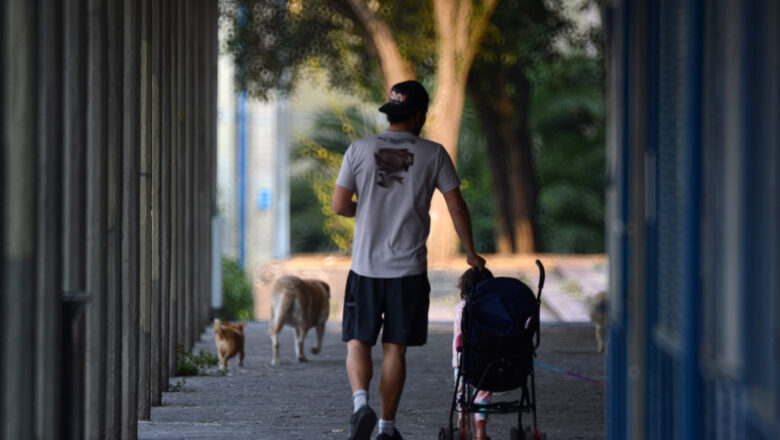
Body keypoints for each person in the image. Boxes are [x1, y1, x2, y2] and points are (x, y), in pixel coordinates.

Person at [332, 80, 486, 440]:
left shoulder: (358, 149)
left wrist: (368, 209)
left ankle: (360, 407)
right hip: (408, 271)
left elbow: (340, 206)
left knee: (358, 340)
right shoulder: (434, 154)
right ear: (419, 115)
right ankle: (386, 428)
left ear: (391, 113)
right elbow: (456, 206)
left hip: (366, 268)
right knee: (394, 349)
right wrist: (470, 252)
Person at [453, 267, 495, 440]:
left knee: (462, 392)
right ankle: (480, 429)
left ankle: (463, 416)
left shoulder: (461, 308)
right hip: (489, 362)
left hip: (462, 362)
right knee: (484, 393)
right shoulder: (495, 311)